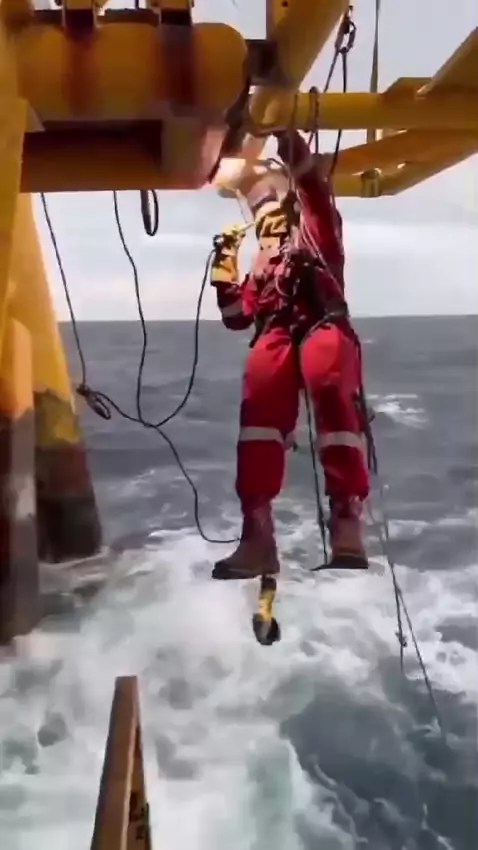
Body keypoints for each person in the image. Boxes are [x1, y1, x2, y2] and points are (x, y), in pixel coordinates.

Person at [210, 130, 370, 579]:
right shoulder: (262, 269)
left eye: (275, 225)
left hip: (322, 322)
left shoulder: (319, 237)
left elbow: (315, 190)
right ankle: (257, 533)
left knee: (329, 380)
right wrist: (224, 269)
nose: (270, 236)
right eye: (265, 230)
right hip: (275, 332)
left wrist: (289, 140)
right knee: (259, 401)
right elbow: (237, 317)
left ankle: (346, 515)